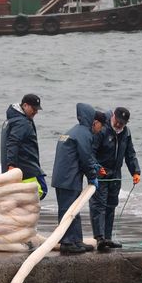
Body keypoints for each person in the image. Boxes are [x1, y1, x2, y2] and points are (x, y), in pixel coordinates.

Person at [51, 103, 107, 254]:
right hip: (68, 178)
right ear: (95, 122)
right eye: (100, 126)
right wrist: (93, 176)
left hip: (65, 176)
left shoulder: (75, 131)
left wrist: (95, 167)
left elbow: (85, 157)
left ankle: (76, 240)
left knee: (73, 210)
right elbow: (86, 158)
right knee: (68, 210)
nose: (100, 130)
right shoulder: (84, 134)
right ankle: (67, 243)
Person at [91, 107, 141, 250]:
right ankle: (99, 238)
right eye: (118, 121)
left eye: (122, 123)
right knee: (98, 206)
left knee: (111, 206)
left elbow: (130, 154)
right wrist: (95, 167)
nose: (119, 125)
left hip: (115, 175)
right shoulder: (102, 129)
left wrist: (135, 171)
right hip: (100, 173)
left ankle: (108, 238)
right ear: (113, 116)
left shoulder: (126, 132)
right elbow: (91, 151)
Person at [0, 93, 47, 200]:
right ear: (25, 105)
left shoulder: (12, 120)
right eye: (34, 109)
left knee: (20, 196)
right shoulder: (22, 123)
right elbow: (13, 142)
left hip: (22, 167)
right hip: (26, 168)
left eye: (37, 109)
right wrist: (11, 165)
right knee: (42, 190)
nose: (36, 112)